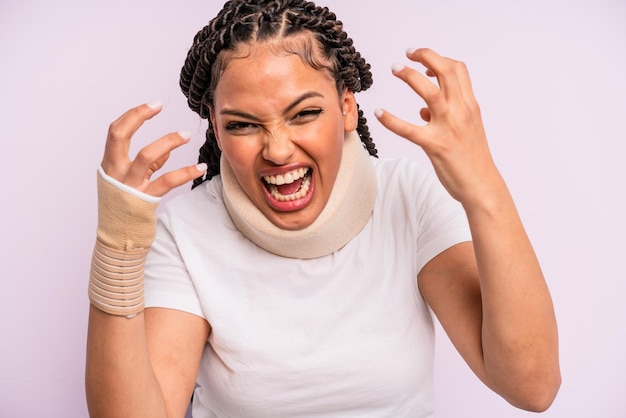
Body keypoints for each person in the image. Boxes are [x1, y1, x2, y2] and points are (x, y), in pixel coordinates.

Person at [85, 0, 561, 417]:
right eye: (244, 124)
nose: (276, 150)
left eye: (305, 114)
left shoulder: (406, 197)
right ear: (215, 124)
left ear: (347, 107)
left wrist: (484, 189)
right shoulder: (185, 230)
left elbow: (532, 387)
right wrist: (117, 249)